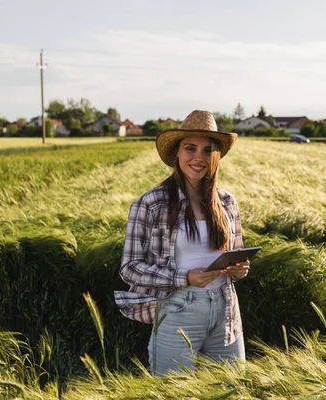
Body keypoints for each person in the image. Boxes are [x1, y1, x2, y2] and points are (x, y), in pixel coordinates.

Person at [114, 110, 249, 376]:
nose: (199, 157)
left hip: (226, 309)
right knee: (173, 392)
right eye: (190, 148)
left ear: (216, 156)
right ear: (177, 152)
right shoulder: (151, 204)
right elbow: (129, 268)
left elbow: (237, 255)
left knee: (231, 389)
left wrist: (240, 269)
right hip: (177, 308)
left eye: (207, 150)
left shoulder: (227, 203)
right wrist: (184, 277)